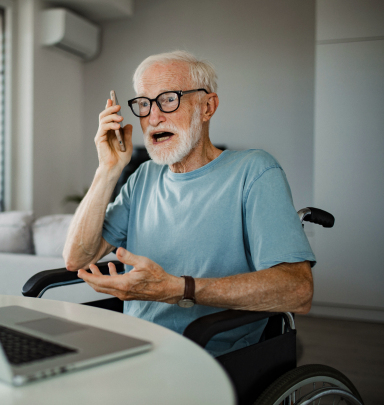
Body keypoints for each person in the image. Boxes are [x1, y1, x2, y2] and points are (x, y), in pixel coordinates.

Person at [62, 50, 316, 356]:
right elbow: (77, 258)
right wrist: (108, 169)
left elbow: (297, 291)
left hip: (210, 357)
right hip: (134, 348)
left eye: (169, 99)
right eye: (144, 103)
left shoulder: (255, 170)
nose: (153, 117)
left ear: (208, 107)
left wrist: (179, 289)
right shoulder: (144, 177)